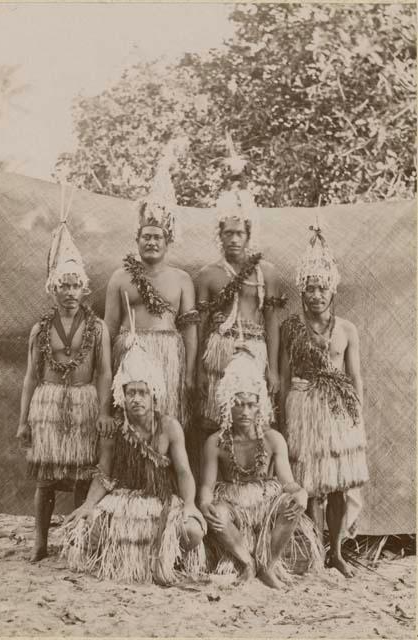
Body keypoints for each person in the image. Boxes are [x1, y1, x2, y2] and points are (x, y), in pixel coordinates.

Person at [61, 320, 206, 585]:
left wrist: (189, 504)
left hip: (159, 500)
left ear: (154, 396)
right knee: (83, 530)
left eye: (142, 393)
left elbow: (184, 471)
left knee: (192, 532)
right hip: (122, 499)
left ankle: (166, 558)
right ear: (122, 396)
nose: (136, 399)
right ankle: (123, 557)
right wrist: (89, 504)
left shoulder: (170, 427)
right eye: (131, 393)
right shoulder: (115, 428)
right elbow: (104, 474)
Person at [16, 188, 113, 562]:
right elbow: (29, 377)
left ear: (84, 288)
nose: (70, 292)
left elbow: (104, 373)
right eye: (64, 285)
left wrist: (104, 412)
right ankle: (40, 541)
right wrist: (24, 420)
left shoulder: (98, 328)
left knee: (81, 473)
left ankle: (76, 539)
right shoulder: (40, 330)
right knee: (46, 475)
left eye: (76, 285)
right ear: (53, 288)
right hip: (49, 403)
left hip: (86, 402)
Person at [280, 224, 369, 578]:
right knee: (308, 482)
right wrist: (285, 418)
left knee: (336, 483)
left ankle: (335, 551)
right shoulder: (292, 327)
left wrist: (356, 415)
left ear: (332, 290)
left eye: (322, 288)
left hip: (337, 410)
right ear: (302, 290)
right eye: (310, 288)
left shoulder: (347, 329)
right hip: (303, 406)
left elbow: (355, 375)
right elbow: (285, 375)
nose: (316, 294)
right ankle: (311, 547)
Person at [199, 345, 323, 589]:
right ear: (227, 406)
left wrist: (300, 492)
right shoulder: (215, 442)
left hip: (266, 500)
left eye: (251, 404)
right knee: (218, 515)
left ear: (260, 406)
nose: (245, 411)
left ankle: (268, 564)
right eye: (238, 404)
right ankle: (247, 563)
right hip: (233, 501)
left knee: (292, 504)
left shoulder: (273, 438)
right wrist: (205, 504)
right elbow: (206, 485)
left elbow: (287, 482)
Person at [195, 137, 286, 443]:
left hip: (255, 349)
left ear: (249, 236)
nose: (234, 239)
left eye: (240, 233)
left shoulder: (267, 273)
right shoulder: (208, 275)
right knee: (216, 418)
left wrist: (273, 370)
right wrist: (197, 369)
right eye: (228, 233)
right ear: (219, 235)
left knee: (253, 417)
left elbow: (272, 322)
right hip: (220, 349)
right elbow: (202, 326)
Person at [104, 141, 198, 431]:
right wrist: (106, 369)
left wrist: (190, 371)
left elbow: (190, 329)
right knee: (129, 423)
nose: (152, 242)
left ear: (167, 241)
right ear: (137, 240)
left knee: (165, 423)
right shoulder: (120, 277)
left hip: (169, 355)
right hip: (129, 352)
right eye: (146, 236)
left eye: (158, 236)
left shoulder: (182, 280)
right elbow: (107, 328)